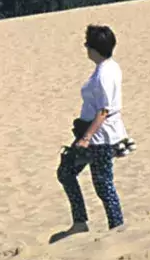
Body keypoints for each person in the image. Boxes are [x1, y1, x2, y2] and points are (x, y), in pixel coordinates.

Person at [50, 25, 134, 244]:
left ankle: (116, 228)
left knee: (102, 183)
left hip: (99, 137)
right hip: (97, 134)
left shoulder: (104, 74)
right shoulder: (109, 67)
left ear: (95, 48)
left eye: (87, 44)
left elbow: (104, 110)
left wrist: (86, 138)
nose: (85, 47)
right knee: (69, 172)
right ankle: (83, 223)